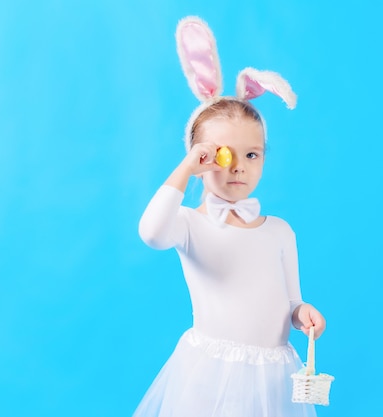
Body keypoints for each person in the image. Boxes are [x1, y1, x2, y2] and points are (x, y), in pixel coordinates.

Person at [132, 16, 326, 417]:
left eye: (252, 155)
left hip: (274, 376)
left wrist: (301, 313)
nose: (239, 167)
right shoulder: (189, 224)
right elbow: (151, 233)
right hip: (210, 373)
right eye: (223, 155)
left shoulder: (279, 232)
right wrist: (185, 170)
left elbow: (290, 301)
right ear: (200, 156)